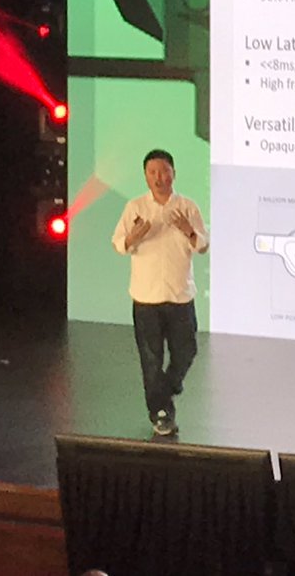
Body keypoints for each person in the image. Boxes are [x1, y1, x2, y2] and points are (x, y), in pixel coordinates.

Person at [111, 149, 208, 437]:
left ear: (173, 173)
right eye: (152, 172)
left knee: (187, 351)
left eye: (164, 171)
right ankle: (161, 413)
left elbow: (202, 245)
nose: (159, 177)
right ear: (145, 176)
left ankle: (166, 388)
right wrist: (134, 236)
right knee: (151, 360)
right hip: (146, 298)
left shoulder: (187, 207)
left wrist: (189, 231)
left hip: (180, 295)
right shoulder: (135, 207)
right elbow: (118, 244)